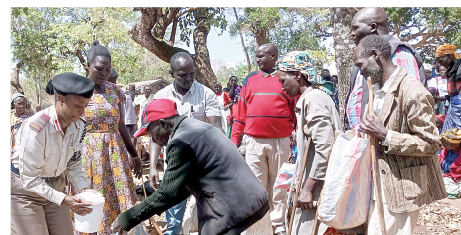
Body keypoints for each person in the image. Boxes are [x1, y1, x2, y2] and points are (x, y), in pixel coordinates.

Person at [110, 99, 269, 234]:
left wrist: (127, 218)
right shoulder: (195, 126)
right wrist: (151, 192)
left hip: (232, 207)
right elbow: (181, 189)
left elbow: (167, 195)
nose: (154, 140)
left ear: (164, 124)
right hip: (250, 199)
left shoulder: (180, 142)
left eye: (151, 133)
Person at [355, 35, 446, 234]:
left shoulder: (413, 92)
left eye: (361, 65)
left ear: (375, 55)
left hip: (401, 191)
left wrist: (386, 135)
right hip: (377, 186)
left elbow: (431, 143)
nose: (360, 72)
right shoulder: (376, 89)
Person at [11, 72, 100, 235]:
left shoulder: (79, 125)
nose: (82, 112)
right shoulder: (36, 128)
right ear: (60, 99)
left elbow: (73, 164)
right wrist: (65, 199)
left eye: (85, 106)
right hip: (25, 191)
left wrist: (84, 189)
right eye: (78, 105)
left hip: (56, 188)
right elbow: (29, 179)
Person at [149, 51, 223, 235]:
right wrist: (151, 167)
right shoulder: (160, 97)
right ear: (171, 74)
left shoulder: (206, 94)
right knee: (173, 218)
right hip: (175, 164)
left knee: (208, 213)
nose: (188, 78)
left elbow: (217, 128)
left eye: (192, 73)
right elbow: (156, 136)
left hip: (203, 164)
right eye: (182, 75)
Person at [73, 40, 142, 235]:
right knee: (92, 198)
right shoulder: (76, 91)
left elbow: (121, 126)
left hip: (116, 154)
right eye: (99, 69)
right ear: (88, 66)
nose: (104, 74)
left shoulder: (115, 91)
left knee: (120, 198)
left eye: (108, 70)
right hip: (88, 154)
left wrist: (134, 154)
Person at [231, 43, 296, 235]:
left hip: (280, 142)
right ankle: (259, 229)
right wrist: (234, 142)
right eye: (257, 56)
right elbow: (240, 115)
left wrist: (297, 136)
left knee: (280, 185)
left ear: (274, 57)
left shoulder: (285, 80)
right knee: (256, 188)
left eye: (262, 56)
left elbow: (294, 113)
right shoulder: (249, 81)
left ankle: (278, 226)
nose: (258, 60)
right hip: (253, 143)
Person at [277, 51, 342, 235]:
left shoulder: (313, 99)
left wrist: (308, 188)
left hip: (317, 189)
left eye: (283, 81)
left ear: (298, 75)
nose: (282, 87)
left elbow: (325, 146)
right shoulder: (310, 98)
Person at [345, 7, 427, 130]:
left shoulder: (398, 52)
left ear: (372, 27)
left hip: (387, 142)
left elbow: (410, 101)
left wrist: (386, 136)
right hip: (366, 140)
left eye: (356, 28)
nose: (352, 33)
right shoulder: (365, 55)